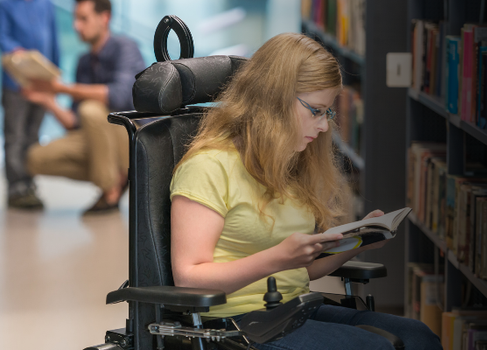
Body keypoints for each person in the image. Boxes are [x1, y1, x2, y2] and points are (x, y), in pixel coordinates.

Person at [168, 33, 442, 350]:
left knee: (418, 337)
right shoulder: (208, 167)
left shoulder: (288, 164)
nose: (324, 126)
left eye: (328, 112)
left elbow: (303, 271)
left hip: (295, 309)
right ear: (275, 100)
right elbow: (189, 279)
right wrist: (277, 258)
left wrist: (357, 243)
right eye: (316, 111)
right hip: (235, 323)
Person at [20, 0, 144, 216]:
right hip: (99, 139)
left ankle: (110, 190)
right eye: (75, 19)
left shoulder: (126, 47)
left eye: (83, 19)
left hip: (133, 138)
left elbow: (118, 95)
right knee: (35, 159)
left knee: (91, 110)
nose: (76, 26)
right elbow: (74, 123)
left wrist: (63, 88)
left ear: (105, 18)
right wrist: (47, 99)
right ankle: (117, 176)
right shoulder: (84, 62)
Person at [0, 0, 60, 210]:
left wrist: (55, 75)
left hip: (41, 82)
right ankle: (16, 187)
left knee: (33, 135)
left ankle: (29, 183)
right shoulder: (4, 5)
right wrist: (16, 51)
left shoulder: (46, 4)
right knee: (15, 136)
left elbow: (53, 38)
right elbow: (2, 37)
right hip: (15, 84)